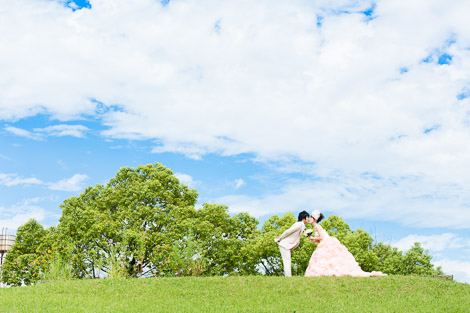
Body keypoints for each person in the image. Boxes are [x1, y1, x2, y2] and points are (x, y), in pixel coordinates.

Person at [305, 210, 387, 277]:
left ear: (314, 219)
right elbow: (320, 239)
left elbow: (322, 237)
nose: (310, 219)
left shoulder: (317, 226)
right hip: (325, 242)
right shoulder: (316, 227)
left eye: (311, 217)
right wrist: (313, 240)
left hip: (327, 243)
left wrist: (313, 238)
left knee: (326, 259)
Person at [275, 211, 310, 277]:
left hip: (287, 245)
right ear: (303, 218)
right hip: (284, 245)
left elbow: (301, 232)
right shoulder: (298, 224)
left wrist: (306, 233)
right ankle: (288, 277)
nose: (308, 219)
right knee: (287, 261)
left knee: (288, 261)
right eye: (307, 217)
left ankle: (288, 277)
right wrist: (280, 238)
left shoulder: (302, 225)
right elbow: (287, 231)